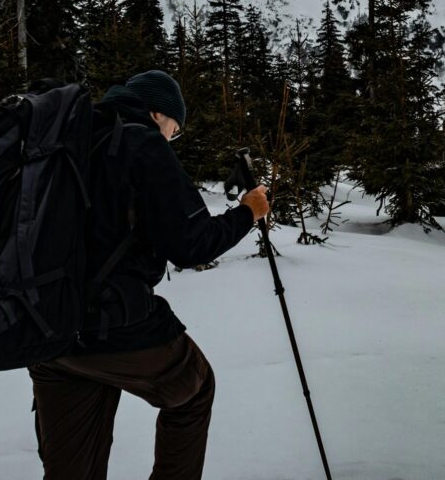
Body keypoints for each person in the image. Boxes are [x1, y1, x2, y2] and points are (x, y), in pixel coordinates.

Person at [29, 70, 270, 480]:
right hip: (117, 327)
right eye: (174, 130)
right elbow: (192, 244)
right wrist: (250, 211)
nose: (171, 139)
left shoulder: (69, 137)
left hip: (44, 328)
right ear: (158, 113)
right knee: (194, 388)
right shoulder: (141, 142)